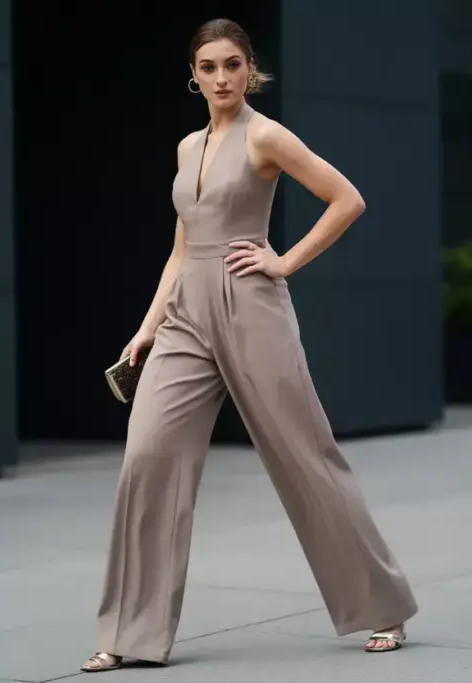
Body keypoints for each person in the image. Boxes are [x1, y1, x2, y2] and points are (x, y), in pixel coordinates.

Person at [81, 17, 418, 673]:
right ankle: (128, 632)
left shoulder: (267, 137)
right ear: (193, 75)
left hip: (251, 308)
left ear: (250, 69)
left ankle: (385, 606)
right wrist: (148, 325)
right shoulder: (186, 148)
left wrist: (285, 260)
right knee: (147, 454)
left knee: (305, 456)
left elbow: (346, 199)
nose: (221, 78)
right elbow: (182, 245)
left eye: (232, 64)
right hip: (185, 317)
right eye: (208, 67)